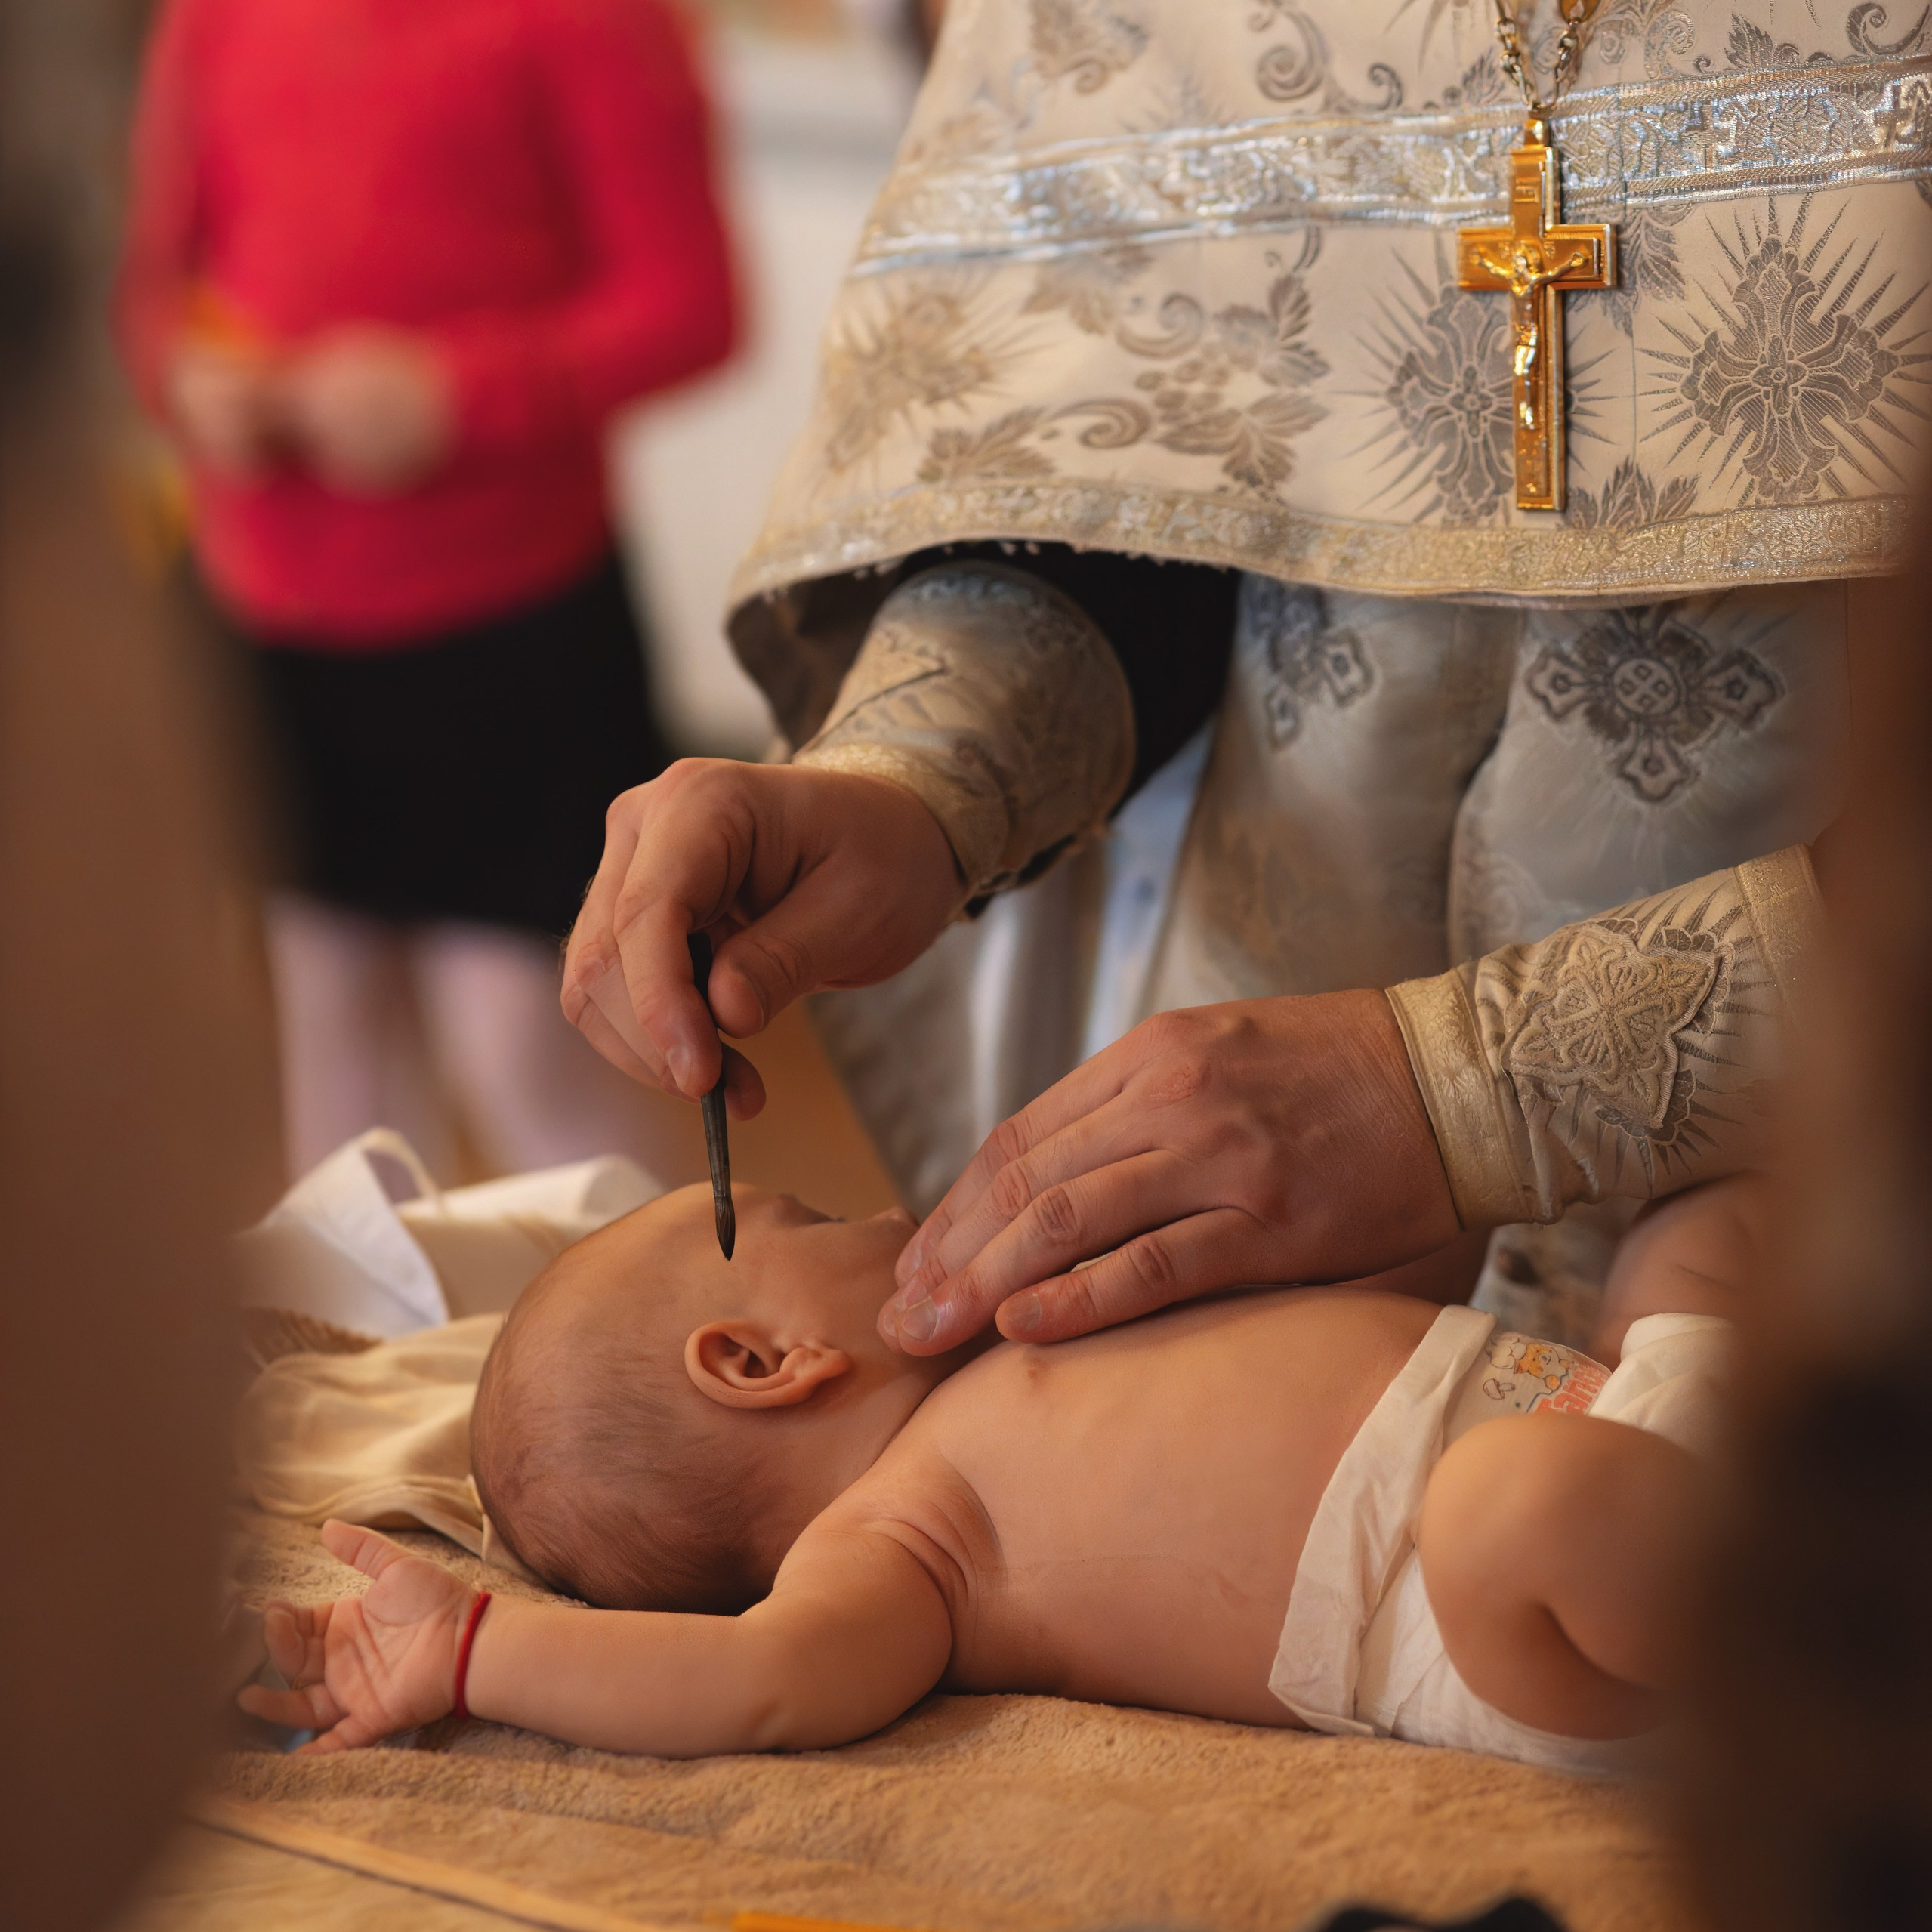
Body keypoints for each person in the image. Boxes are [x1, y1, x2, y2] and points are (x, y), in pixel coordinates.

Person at [561, 0, 1912, 1349]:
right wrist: (913, 777)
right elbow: (1127, 456)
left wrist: (1469, 1088)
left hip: (1832, 1189)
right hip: (1253, 1137)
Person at [241, 1174, 1745, 1773]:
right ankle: (1813, 1619)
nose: (882, 1204)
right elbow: (754, 1684)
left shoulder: (1037, 1330)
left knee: (1699, 1217)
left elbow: (1396, 1271)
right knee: (1512, 1504)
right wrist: (478, 1651)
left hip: (1614, 1411)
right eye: (815, 1215)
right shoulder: (898, 1534)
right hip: (1497, 1609)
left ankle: (1790, 1503)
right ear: (759, 1359)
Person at [116, 0, 738, 1180]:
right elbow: (152, 291)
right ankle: (364, 1312)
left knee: (520, 1050)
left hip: (509, 628)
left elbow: (692, 304)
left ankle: (636, 1304)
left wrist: (457, 397)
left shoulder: (590, 20)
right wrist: (183, 380)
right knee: (331, 1044)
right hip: (274, 619)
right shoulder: (215, 16)